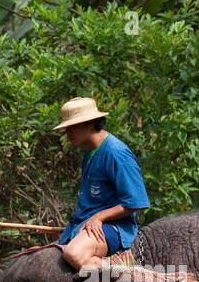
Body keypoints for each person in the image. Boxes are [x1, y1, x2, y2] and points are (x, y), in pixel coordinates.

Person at [52, 97, 149, 271]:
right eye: (66, 127)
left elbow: (136, 202)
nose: (68, 132)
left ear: (90, 124)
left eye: (72, 126)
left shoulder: (116, 152)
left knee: (73, 254)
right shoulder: (89, 152)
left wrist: (99, 217)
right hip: (86, 223)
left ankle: (129, 276)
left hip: (114, 227)